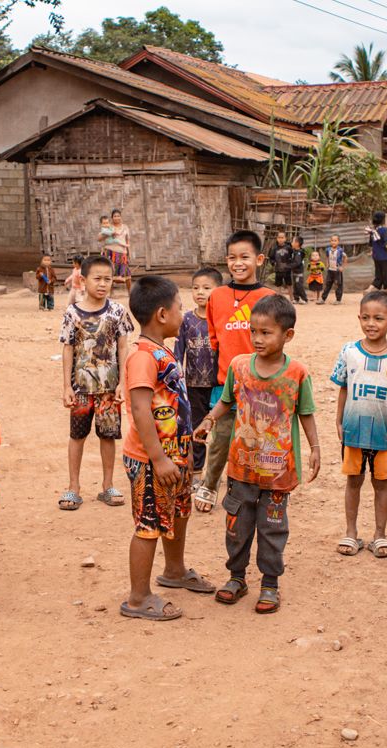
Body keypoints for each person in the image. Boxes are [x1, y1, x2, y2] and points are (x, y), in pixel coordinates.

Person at [192, 294, 320, 615]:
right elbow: (226, 402)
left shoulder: (297, 374)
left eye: (267, 333)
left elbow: (305, 414)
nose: (258, 339)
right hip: (241, 469)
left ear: (287, 335)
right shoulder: (239, 367)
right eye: (254, 332)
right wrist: (209, 420)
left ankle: (269, 583)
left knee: (272, 528)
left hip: (278, 473)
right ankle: (236, 578)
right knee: (237, 525)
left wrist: (315, 448)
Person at [121, 275, 215, 620]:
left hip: (174, 455)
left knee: (177, 513)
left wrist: (183, 450)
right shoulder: (143, 356)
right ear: (162, 314)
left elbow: (174, 405)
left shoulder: (163, 351)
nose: (183, 312)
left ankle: (174, 571)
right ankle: (138, 597)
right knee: (149, 524)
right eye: (179, 307)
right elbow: (141, 409)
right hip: (150, 459)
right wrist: (158, 457)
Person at [192, 231, 273, 513]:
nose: (238, 263)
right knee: (221, 438)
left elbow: (276, 340)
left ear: (259, 259)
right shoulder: (218, 297)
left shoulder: (268, 297)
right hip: (227, 381)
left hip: (261, 384)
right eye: (232, 258)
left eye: (245, 257)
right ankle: (210, 484)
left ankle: (258, 486)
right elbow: (215, 337)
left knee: (258, 437)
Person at [331, 289, 387, 560]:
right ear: (358, 318)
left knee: (381, 483)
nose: (371, 323)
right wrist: (339, 419)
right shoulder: (349, 352)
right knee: (353, 481)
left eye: (378, 318)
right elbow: (343, 388)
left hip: (382, 430)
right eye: (365, 317)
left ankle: (380, 534)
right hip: (353, 429)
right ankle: (350, 532)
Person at [58, 255, 136, 511]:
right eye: (97, 279)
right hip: (81, 389)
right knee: (77, 435)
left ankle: (107, 485)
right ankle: (73, 487)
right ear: (83, 280)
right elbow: (68, 348)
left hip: (108, 391)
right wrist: (67, 386)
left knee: (108, 436)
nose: (103, 284)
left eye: (108, 279)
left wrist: (122, 383)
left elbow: (123, 347)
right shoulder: (72, 312)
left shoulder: (117, 311)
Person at [176, 268, 220, 478]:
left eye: (206, 288)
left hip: (218, 384)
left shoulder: (221, 319)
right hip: (193, 384)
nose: (200, 292)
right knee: (196, 428)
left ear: (218, 291)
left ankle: (216, 473)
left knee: (220, 430)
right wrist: (178, 379)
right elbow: (179, 351)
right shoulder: (186, 320)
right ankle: (196, 471)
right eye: (195, 288)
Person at [269, 231, 303, 300]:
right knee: (278, 285)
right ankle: (279, 299)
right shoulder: (274, 248)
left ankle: (291, 298)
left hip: (287, 269)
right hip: (278, 269)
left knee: (289, 284)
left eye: (282, 237)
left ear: (285, 238)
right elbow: (271, 258)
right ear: (277, 238)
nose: (280, 239)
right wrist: (273, 263)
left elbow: (293, 255)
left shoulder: (288, 248)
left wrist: (291, 263)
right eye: (279, 237)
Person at [367, 212, 387, 291]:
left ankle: (369, 290)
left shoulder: (373, 231)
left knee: (379, 276)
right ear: (383, 220)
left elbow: (371, 245)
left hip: (376, 257)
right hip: (385, 257)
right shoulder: (384, 230)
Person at [102, 209, 132, 278]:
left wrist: (129, 253)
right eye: (115, 216)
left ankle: (129, 288)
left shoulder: (125, 227)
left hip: (122, 253)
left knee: (125, 274)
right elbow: (105, 239)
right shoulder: (109, 227)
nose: (117, 217)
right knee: (110, 273)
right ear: (112, 218)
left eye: (118, 216)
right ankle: (110, 287)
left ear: (121, 217)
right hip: (110, 253)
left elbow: (127, 241)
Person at [323, 235, 347, 304]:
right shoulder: (328, 250)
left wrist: (342, 267)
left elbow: (345, 258)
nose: (333, 242)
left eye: (335, 240)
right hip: (330, 270)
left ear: (338, 242)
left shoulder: (340, 250)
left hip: (337, 271)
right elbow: (327, 257)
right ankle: (323, 298)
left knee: (338, 285)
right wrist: (327, 263)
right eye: (332, 240)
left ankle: (338, 300)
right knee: (328, 284)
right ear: (330, 242)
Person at [302, 236, 324, 305]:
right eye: (313, 256)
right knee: (312, 287)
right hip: (312, 277)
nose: (315, 257)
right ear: (311, 257)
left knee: (318, 288)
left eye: (316, 255)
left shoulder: (320, 263)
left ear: (319, 257)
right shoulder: (309, 264)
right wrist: (310, 268)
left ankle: (318, 297)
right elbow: (308, 269)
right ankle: (313, 297)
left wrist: (318, 268)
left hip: (318, 277)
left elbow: (323, 269)